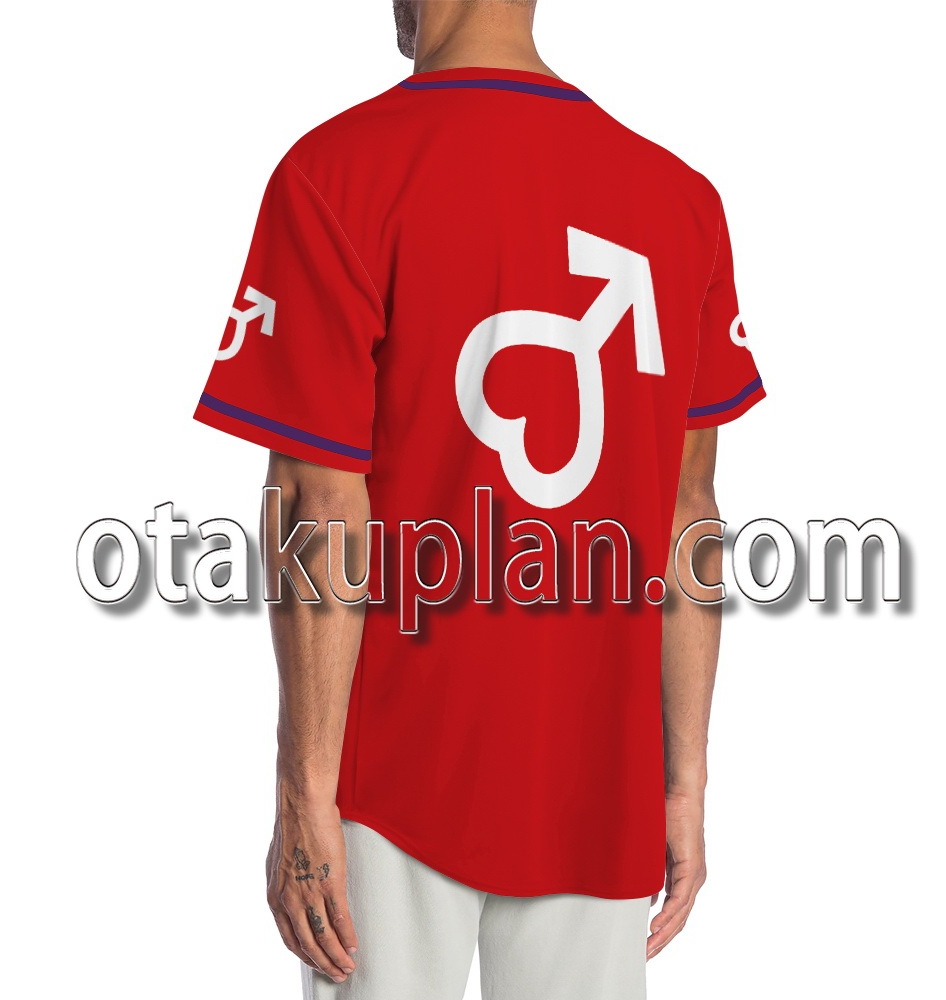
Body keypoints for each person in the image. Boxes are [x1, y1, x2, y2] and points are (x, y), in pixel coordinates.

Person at [193, 2, 766, 997]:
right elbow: (691, 516)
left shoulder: (336, 174)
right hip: (600, 781)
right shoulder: (679, 199)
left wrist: (302, 789)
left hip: (391, 780)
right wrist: (683, 781)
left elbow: (319, 503)